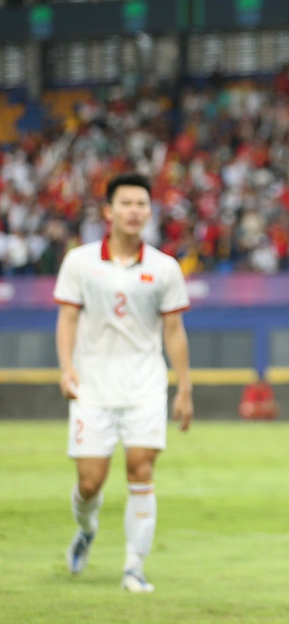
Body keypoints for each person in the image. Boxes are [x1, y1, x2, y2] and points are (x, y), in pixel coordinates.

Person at [54, 172, 194, 594]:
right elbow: (67, 319)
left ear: (149, 212)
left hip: (144, 387)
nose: (135, 211)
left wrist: (184, 388)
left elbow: (174, 331)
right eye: (127, 203)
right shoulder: (79, 262)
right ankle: (87, 528)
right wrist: (66, 367)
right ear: (108, 211)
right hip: (91, 388)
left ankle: (134, 567)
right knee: (89, 483)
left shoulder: (164, 267)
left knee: (141, 467)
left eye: (142, 205)